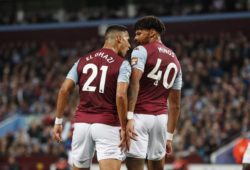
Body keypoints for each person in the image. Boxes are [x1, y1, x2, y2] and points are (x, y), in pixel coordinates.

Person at [53, 25, 131, 170]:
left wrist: (58, 121)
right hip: (107, 124)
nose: (129, 45)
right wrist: (124, 127)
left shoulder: (82, 61)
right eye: (127, 39)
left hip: (81, 126)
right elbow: (120, 96)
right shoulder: (122, 64)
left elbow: (64, 90)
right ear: (119, 39)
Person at [125, 16, 182, 170]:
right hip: (161, 120)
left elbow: (134, 83)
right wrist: (169, 137)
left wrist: (128, 116)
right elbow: (175, 105)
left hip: (140, 116)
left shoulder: (140, 50)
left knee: (134, 164)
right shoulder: (175, 59)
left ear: (151, 33)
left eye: (138, 33)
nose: (135, 39)